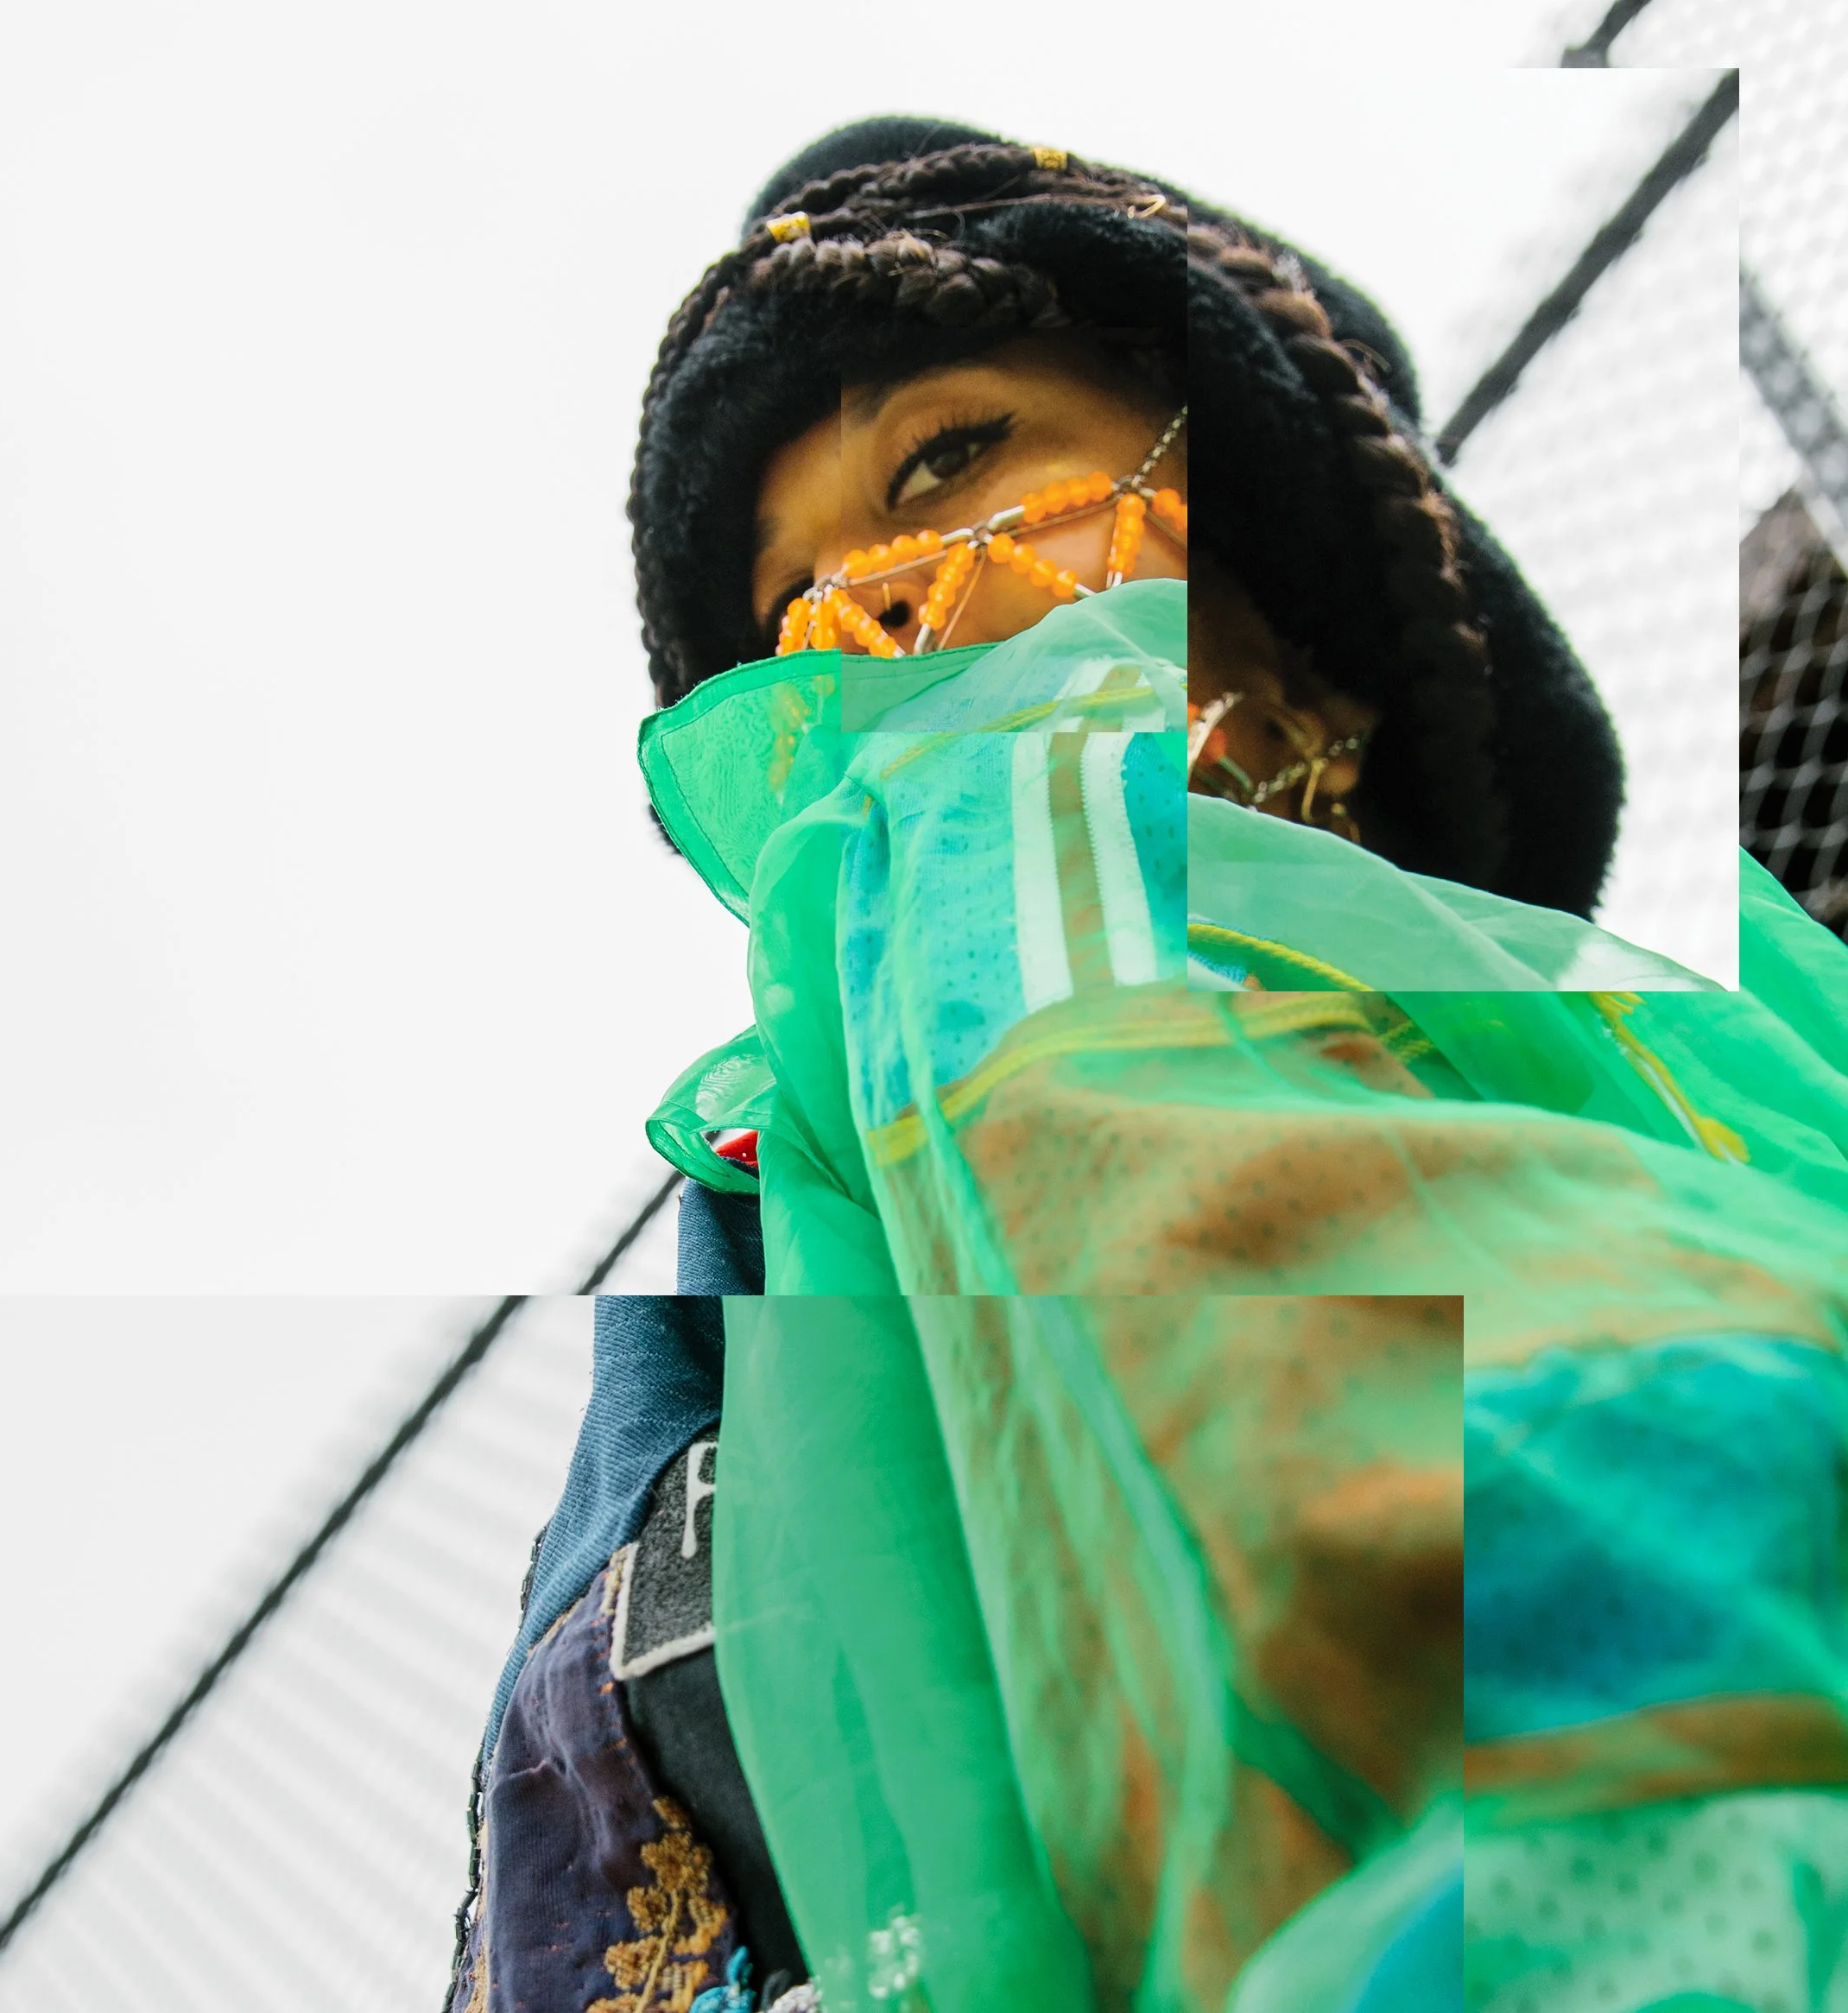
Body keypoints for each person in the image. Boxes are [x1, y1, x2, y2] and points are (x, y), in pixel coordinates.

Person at [448, 120, 1848, 2013]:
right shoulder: (948, 957)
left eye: (945, 456)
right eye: (788, 611)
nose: (867, 612)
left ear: (1276, 557)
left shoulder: (1712, 1026)